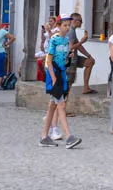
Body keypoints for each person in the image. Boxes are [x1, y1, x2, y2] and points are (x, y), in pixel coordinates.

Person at [40, 17, 80, 148]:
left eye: (68, 25)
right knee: (61, 105)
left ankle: (44, 136)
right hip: (54, 73)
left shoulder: (66, 40)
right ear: (59, 26)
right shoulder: (54, 39)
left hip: (62, 72)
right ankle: (69, 136)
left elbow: (63, 58)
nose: (67, 27)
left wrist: (68, 57)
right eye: (65, 25)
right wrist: (53, 77)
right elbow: (49, 60)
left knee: (52, 106)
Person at [67, 13, 97, 95]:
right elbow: (71, 47)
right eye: (81, 21)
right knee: (68, 84)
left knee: (90, 62)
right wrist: (82, 41)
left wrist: (89, 56)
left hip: (74, 58)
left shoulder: (72, 30)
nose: (82, 23)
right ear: (75, 21)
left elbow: (79, 47)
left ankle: (86, 88)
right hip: (69, 60)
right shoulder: (71, 31)